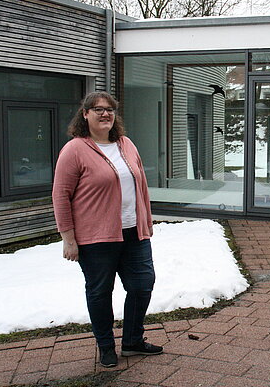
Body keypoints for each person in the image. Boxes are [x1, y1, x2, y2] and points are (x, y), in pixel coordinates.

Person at [52, 91, 162, 368]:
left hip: (133, 233)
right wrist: (68, 238)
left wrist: (146, 221)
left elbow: (142, 188)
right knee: (100, 292)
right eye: (97, 109)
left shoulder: (126, 144)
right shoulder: (75, 149)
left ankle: (132, 341)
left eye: (110, 109)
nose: (105, 114)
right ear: (85, 114)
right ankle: (105, 346)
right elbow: (60, 195)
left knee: (142, 285)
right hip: (95, 238)